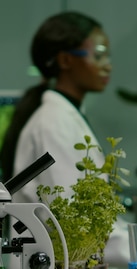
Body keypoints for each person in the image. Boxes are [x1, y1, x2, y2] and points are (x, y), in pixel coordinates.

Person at [0, 11, 111, 202]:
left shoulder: (65, 117)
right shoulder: (53, 123)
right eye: (99, 55)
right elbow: (67, 210)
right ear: (66, 60)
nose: (108, 66)